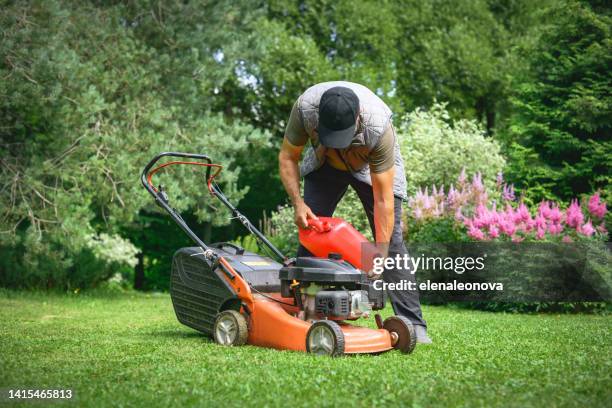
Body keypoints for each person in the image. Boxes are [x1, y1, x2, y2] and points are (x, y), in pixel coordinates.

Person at [278, 81, 431, 343]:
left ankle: (414, 325)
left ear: (358, 117)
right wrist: (298, 204)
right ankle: (307, 313)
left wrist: (380, 253)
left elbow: (383, 199)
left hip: (371, 167)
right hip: (326, 164)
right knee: (311, 233)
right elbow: (287, 156)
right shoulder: (305, 109)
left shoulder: (378, 126)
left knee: (391, 244)